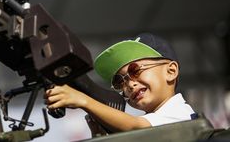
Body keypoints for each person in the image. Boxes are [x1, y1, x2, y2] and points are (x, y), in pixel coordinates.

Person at [45, 33, 196, 132]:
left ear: (170, 71)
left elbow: (136, 126)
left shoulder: (180, 113)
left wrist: (84, 101)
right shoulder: (154, 123)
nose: (129, 85)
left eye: (135, 70)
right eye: (119, 81)